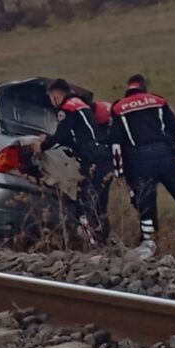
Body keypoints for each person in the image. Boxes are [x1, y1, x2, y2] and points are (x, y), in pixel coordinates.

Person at [110, 74, 175, 260]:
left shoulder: (118, 108)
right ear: (144, 87)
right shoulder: (158, 101)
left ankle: (150, 240)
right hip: (164, 156)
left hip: (139, 160)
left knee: (145, 203)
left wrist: (119, 173)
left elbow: (116, 145)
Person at [36, 78, 114, 244]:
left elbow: (62, 136)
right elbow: (72, 136)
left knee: (84, 199)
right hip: (104, 156)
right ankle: (103, 240)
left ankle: (92, 241)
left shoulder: (66, 108)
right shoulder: (81, 105)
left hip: (91, 157)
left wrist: (42, 146)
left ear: (55, 95)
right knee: (100, 202)